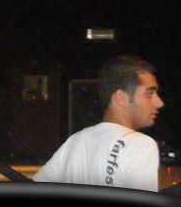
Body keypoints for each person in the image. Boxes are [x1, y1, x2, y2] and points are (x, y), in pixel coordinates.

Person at [33, 54, 164, 191]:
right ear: (121, 98)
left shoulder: (75, 141)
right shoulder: (140, 145)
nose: (159, 103)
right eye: (149, 94)